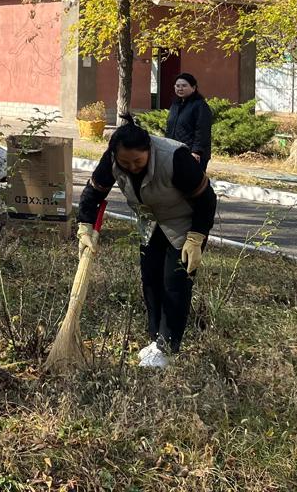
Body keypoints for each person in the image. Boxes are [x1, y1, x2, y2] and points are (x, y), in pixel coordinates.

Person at [76, 116, 217, 368]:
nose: (131, 167)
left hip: (183, 222)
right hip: (150, 221)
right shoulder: (112, 158)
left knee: (175, 283)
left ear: (149, 150)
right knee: (151, 279)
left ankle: (167, 346)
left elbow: (206, 198)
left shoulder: (174, 157)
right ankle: (155, 340)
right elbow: (94, 191)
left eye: (138, 161)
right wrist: (85, 225)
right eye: (125, 162)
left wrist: (197, 237)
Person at [165, 73, 213, 172]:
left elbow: (202, 131)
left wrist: (196, 151)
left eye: (184, 86)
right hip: (175, 151)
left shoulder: (200, 106)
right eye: (177, 86)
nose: (180, 88)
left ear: (193, 87)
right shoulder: (175, 105)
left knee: (191, 184)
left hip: (193, 154)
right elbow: (169, 128)